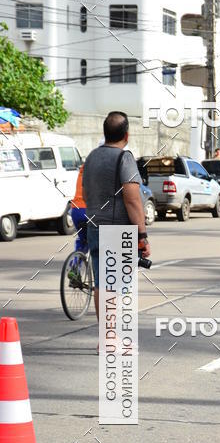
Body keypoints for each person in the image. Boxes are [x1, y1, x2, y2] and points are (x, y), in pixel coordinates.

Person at [82, 111, 150, 327]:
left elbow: (85, 193)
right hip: (117, 229)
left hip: (94, 225)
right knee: (117, 286)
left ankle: (107, 338)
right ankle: (111, 338)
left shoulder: (91, 157)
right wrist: (142, 235)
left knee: (101, 284)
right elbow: (132, 199)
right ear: (127, 135)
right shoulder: (124, 157)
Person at [70, 164, 88, 253]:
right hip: (89, 210)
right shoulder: (100, 172)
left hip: (76, 210)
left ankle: (75, 263)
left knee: (82, 239)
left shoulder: (82, 171)